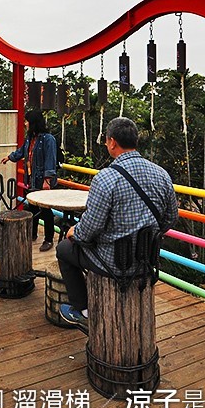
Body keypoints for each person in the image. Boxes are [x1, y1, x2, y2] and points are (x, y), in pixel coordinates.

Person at [56, 116, 178, 331]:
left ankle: (82, 310)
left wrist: (74, 232)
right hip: (146, 260)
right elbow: (170, 218)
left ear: (112, 142)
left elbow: (89, 230)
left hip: (113, 264)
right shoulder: (162, 174)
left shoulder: (106, 178)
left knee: (64, 249)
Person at [1, 108, 59, 251]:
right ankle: (32, 234)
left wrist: (47, 181)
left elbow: (50, 161)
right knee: (32, 208)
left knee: (46, 211)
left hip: (43, 181)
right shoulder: (30, 138)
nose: (25, 123)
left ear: (33, 122)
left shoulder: (48, 139)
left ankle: (49, 239)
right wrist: (10, 157)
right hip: (31, 179)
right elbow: (22, 151)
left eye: (27, 121)